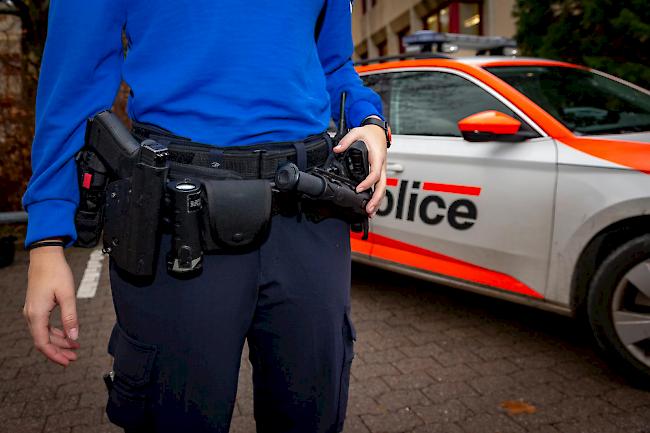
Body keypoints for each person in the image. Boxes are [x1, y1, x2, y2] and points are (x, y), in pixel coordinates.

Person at [22, 1, 388, 432]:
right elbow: (74, 79)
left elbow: (335, 65)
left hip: (310, 207)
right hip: (177, 218)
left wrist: (370, 119)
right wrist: (47, 238)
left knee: (313, 416)